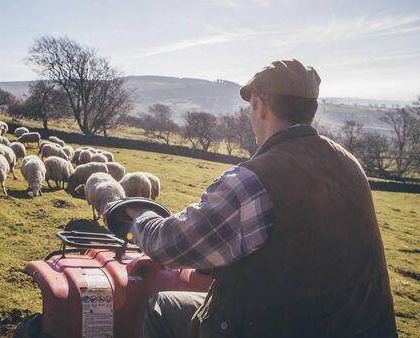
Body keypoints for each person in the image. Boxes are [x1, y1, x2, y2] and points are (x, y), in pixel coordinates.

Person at [123, 59, 397, 338]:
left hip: (276, 326)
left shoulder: (253, 182)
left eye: (251, 106)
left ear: (260, 106)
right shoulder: (347, 163)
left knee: (162, 306)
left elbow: (169, 245)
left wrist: (138, 215)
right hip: (357, 325)